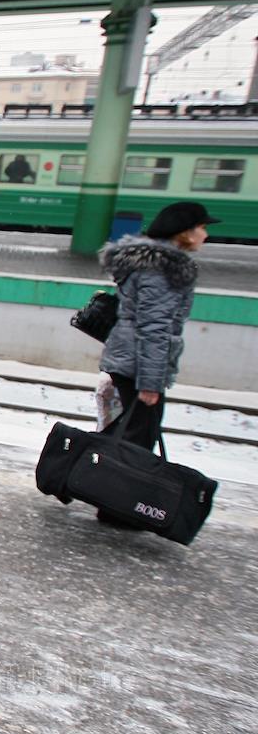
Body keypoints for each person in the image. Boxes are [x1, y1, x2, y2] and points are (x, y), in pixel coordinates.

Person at [97, 201, 217, 524]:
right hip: (138, 364)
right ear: (184, 233)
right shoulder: (162, 268)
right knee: (137, 439)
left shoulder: (153, 263)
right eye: (202, 227)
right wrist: (150, 382)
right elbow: (153, 327)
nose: (206, 234)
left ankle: (89, 482)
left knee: (127, 432)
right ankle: (113, 506)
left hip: (130, 358)